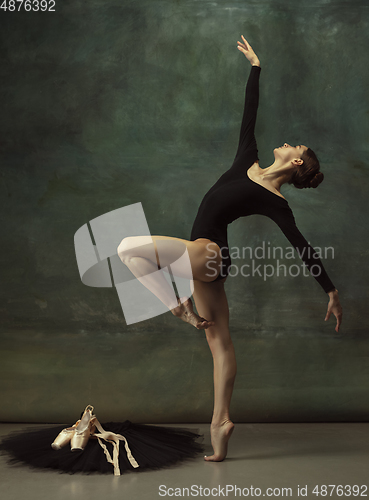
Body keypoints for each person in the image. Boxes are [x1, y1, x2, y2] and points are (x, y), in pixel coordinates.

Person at [117, 36, 343, 462]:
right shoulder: (247, 158)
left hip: (208, 254)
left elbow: (303, 249)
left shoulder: (276, 203)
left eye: (297, 147)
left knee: (130, 248)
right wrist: (255, 66)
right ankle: (220, 424)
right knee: (220, 345)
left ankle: (176, 307)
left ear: (297, 163)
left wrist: (330, 291)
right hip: (212, 260)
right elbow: (250, 112)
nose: (290, 142)